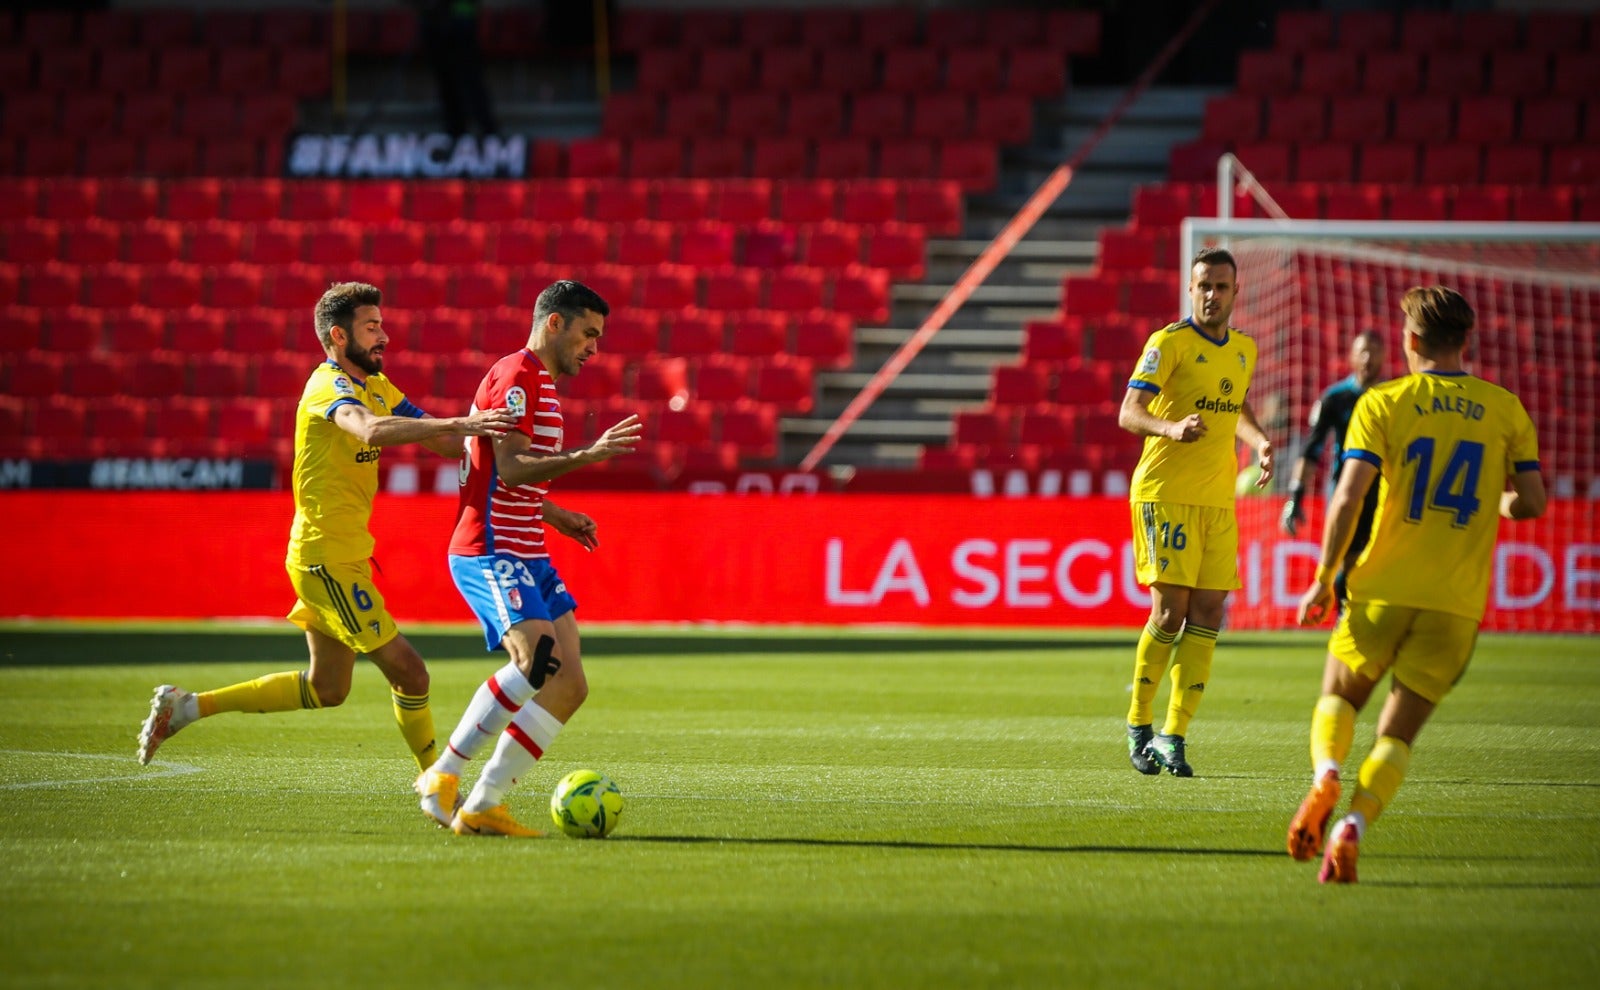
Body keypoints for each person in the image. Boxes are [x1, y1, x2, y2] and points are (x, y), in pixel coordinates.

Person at [137, 282, 519, 773]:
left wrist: (493, 433)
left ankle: (186, 707)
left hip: (343, 553)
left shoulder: (378, 386)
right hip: (326, 558)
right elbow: (369, 429)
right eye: (372, 327)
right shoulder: (328, 385)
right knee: (411, 672)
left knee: (328, 688)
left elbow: (442, 443)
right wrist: (462, 426)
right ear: (339, 336)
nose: (385, 336)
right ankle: (438, 784)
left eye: (382, 324)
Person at [1286, 286, 1545, 884]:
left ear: (1408, 342)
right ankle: (1352, 827)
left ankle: (1326, 772)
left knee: (1340, 698)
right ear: (1466, 342)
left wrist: (1325, 579)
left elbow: (1348, 495)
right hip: (1455, 604)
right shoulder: (1506, 408)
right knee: (1397, 736)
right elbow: (1531, 502)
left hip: (1379, 587)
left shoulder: (1383, 403)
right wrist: (1494, 500)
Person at [414, 280, 643, 837]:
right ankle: (444, 775)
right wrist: (589, 455)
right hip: (490, 547)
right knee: (534, 657)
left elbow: (506, 474)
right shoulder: (517, 376)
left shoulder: (539, 383)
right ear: (555, 324)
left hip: (528, 549)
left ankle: (485, 802)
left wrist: (555, 514)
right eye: (589, 333)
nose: (594, 347)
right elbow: (513, 468)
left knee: (569, 685)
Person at [1117, 246, 1275, 777]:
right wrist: (1171, 428)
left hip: (1217, 499)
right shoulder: (1168, 343)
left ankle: (1173, 736)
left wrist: (1257, 441)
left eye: (1221, 286)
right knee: (1170, 614)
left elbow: (1236, 405)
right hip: (1165, 493)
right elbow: (1129, 412)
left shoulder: (1242, 350)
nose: (1212, 295)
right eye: (1203, 285)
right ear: (1191, 289)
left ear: (1235, 292)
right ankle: (1139, 723)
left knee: (1210, 612)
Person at [1280, 329, 1387, 608]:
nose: (1368, 358)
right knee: (1348, 560)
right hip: (1344, 486)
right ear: (1351, 356)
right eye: (1362, 351)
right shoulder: (1335, 398)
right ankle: (1344, 619)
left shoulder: (1391, 399)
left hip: (1385, 490)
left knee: (1377, 563)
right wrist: (1296, 496)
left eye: (1374, 351)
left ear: (1384, 357)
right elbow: (1312, 449)